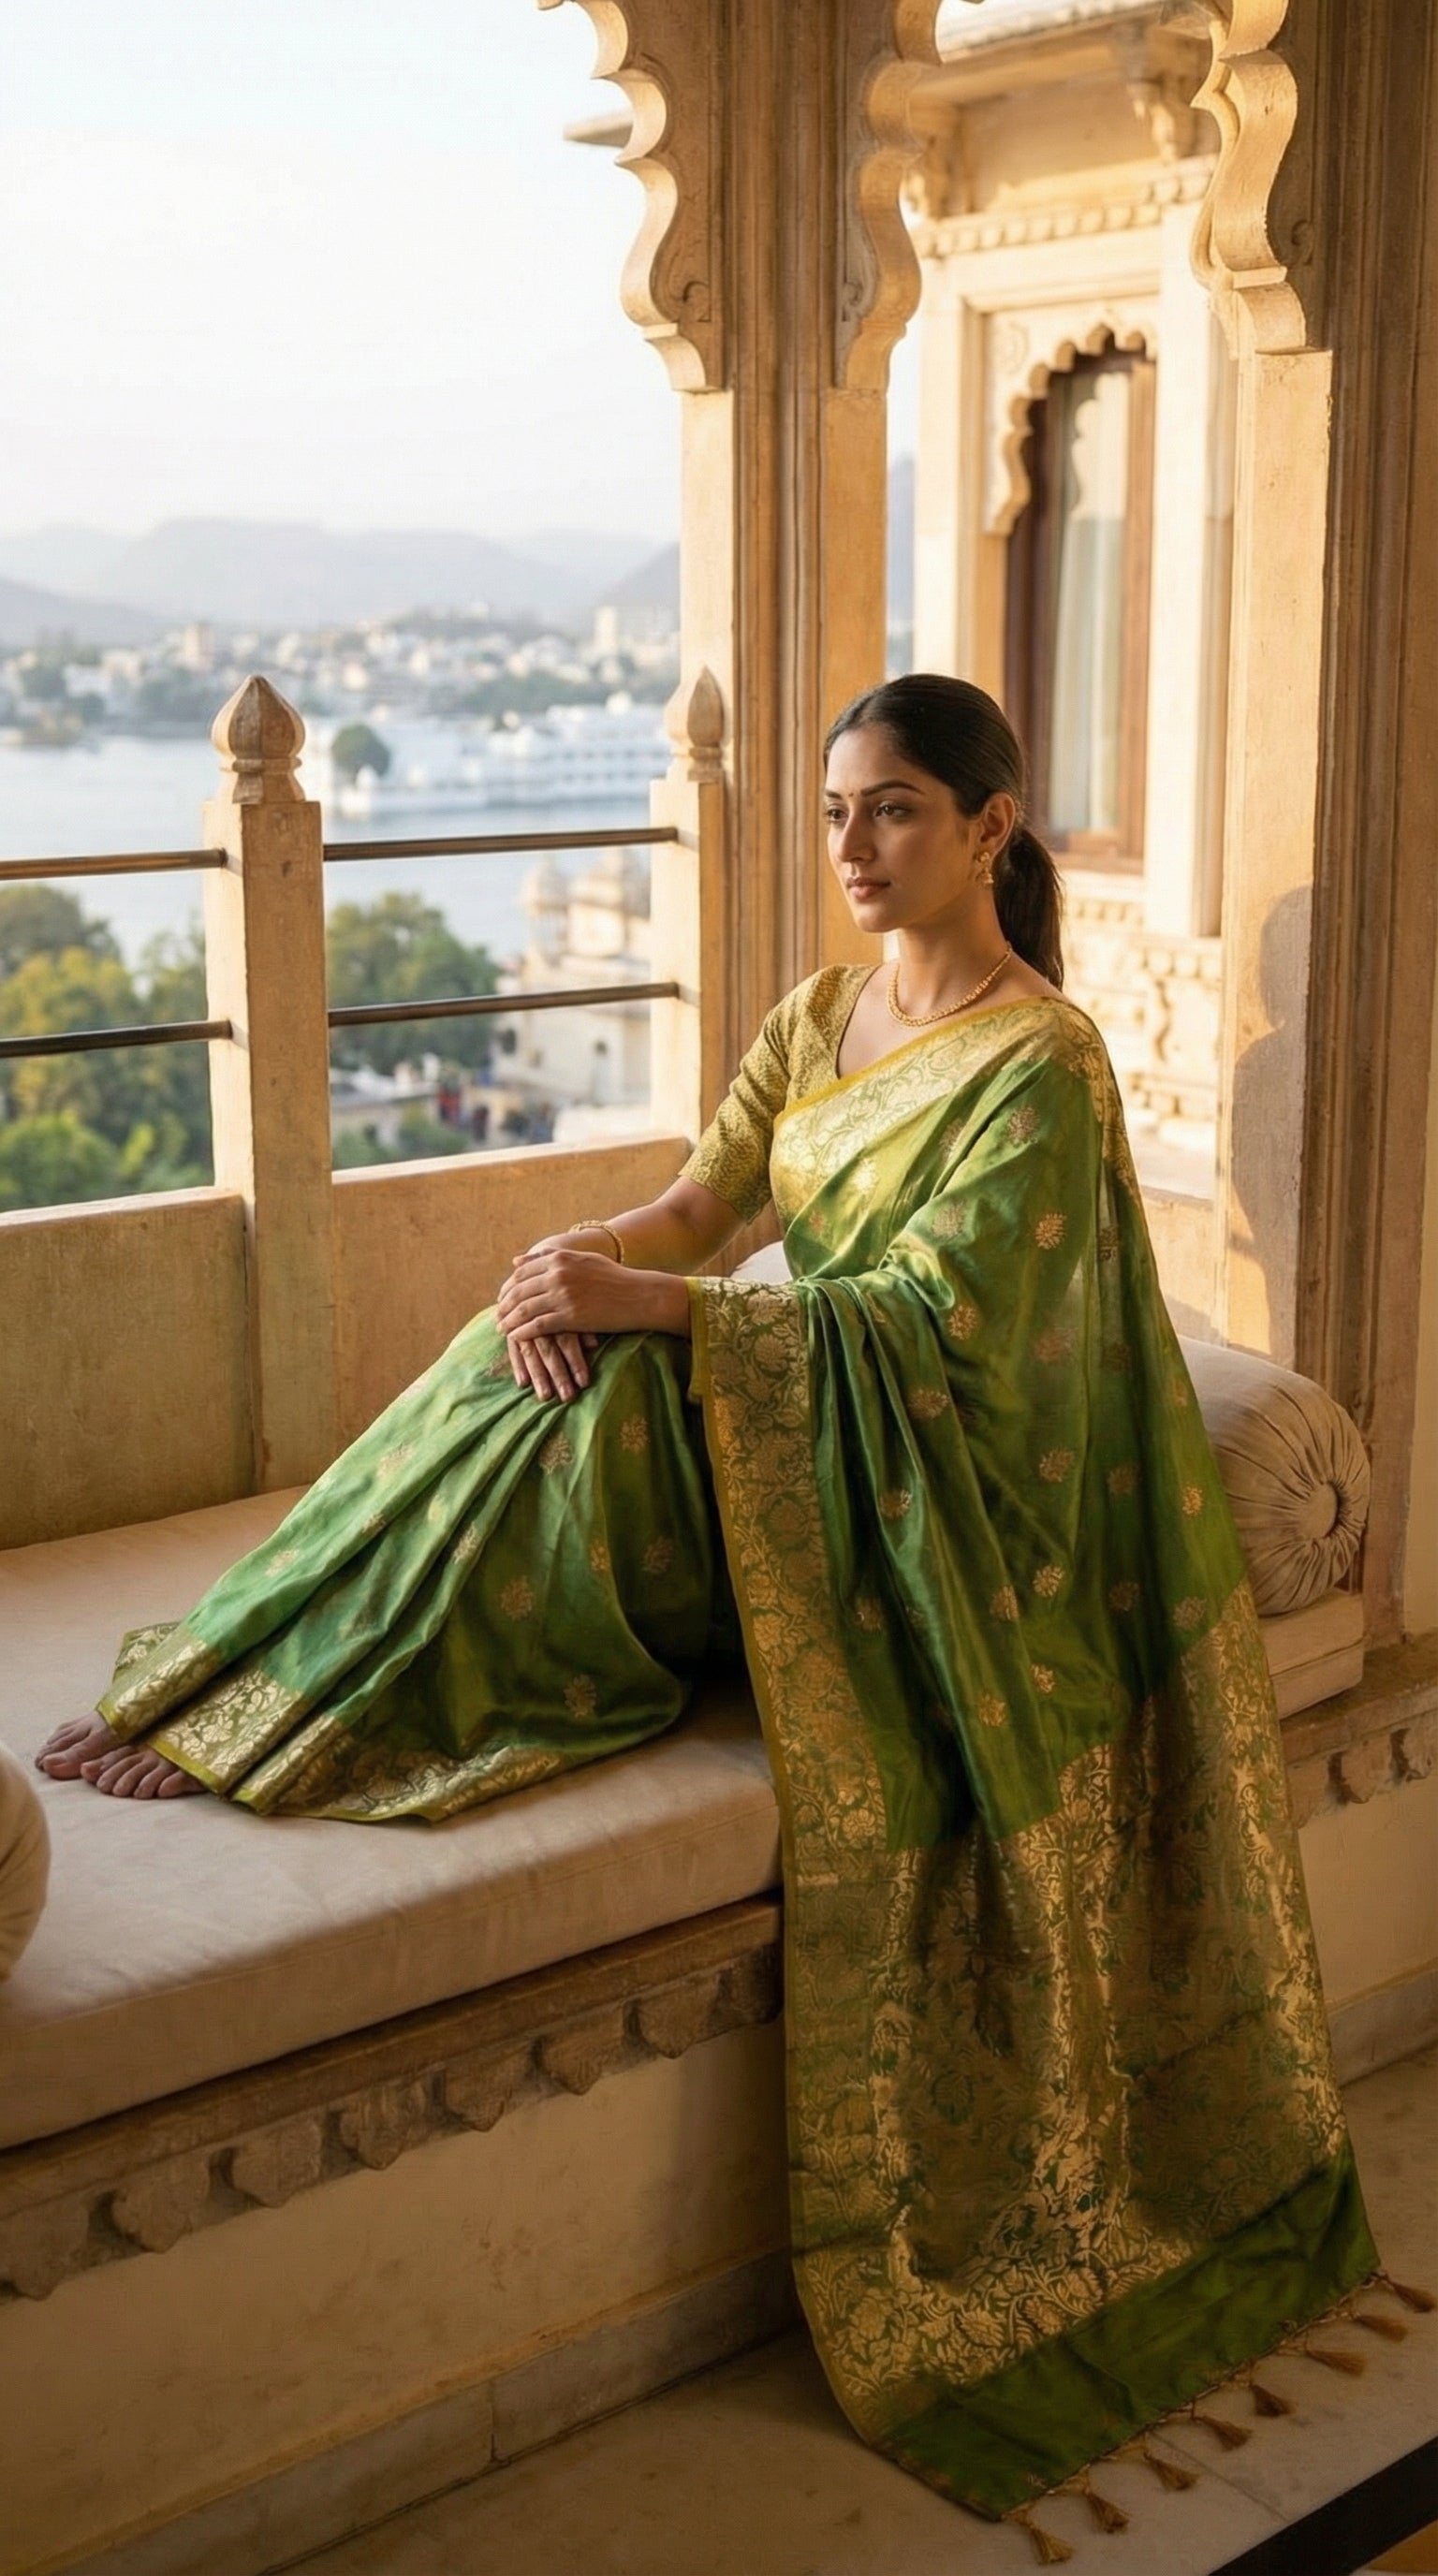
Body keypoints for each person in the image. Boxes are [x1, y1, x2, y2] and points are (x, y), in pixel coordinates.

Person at [36, 675, 1374, 2535]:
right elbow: (697, 1205)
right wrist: (575, 1263)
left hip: (920, 1513)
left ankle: (327, 1693)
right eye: (835, 812)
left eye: (894, 809)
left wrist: (661, 1313)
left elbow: (953, 1338)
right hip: (796, 1420)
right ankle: (250, 1668)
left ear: (993, 825)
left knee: (616, 1403)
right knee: (522, 1354)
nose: (851, 846)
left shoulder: (1041, 1061)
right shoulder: (823, 1013)